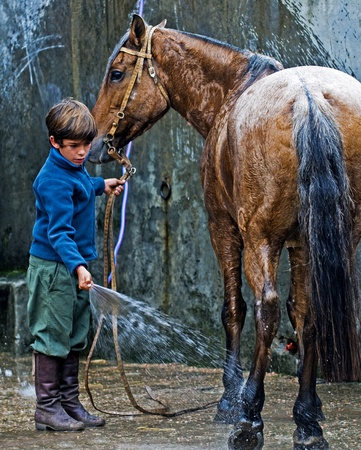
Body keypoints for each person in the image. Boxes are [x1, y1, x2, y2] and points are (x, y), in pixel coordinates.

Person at [27, 98, 124, 431]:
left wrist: (101, 185)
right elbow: (58, 232)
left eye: (87, 145)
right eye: (74, 146)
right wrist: (78, 267)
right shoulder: (52, 179)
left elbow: (80, 187)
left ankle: (69, 403)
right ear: (54, 142)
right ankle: (47, 408)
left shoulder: (73, 166)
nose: (83, 152)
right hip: (55, 269)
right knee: (52, 336)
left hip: (71, 267)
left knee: (72, 336)